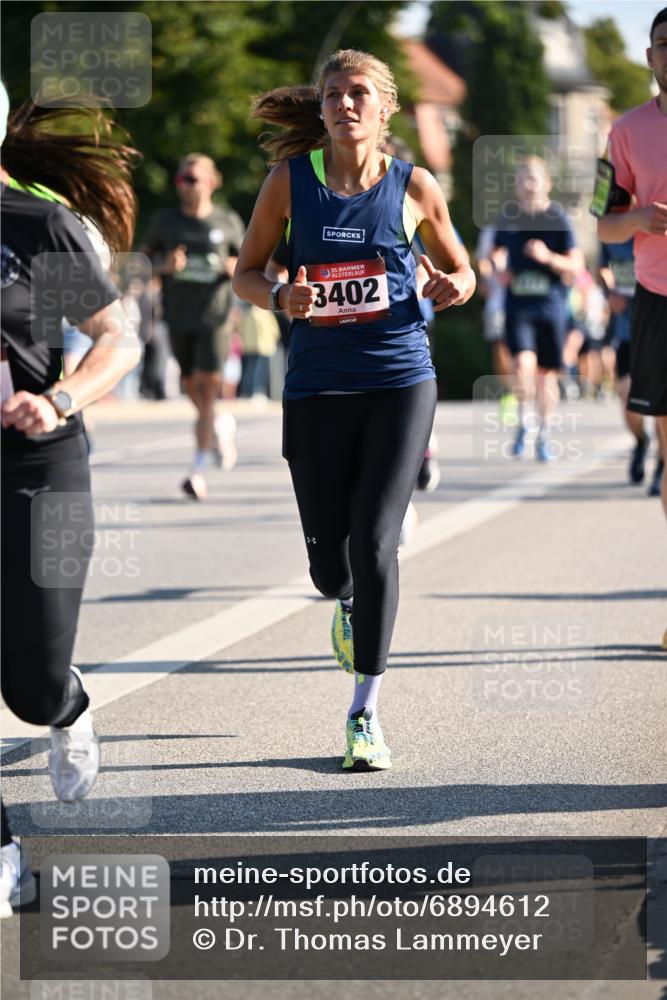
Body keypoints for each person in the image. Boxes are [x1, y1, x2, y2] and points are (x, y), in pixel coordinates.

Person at [233, 50, 475, 770]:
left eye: (358, 92)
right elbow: (245, 271)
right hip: (316, 386)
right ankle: (345, 603)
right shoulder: (288, 182)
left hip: (401, 377)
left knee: (375, 544)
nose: (344, 103)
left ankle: (363, 712)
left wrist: (451, 286)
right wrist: (280, 296)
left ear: (386, 106)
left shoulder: (414, 184)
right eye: (332, 93)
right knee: (330, 571)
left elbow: (461, 268)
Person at [0, 91, 141, 916]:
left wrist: (59, 400)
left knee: (29, 684)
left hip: (38, 463)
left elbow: (113, 336)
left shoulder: (33, 226)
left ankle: (67, 701)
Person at [595, 7, 667, 523]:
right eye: (665, 43)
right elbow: (604, 223)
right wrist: (637, 216)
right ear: (650, 55)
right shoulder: (624, 131)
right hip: (658, 298)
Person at [141, 153, 245, 499]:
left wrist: (235, 268)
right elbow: (140, 265)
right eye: (181, 179)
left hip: (215, 318)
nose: (185, 184)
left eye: (193, 178)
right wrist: (164, 265)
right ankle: (219, 423)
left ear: (212, 182)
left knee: (207, 388)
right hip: (178, 317)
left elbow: (250, 265)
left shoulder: (227, 221)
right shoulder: (165, 222)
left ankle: (197, 469)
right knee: (193, 390)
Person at [491, 156, 583, 461]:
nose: (528, 184)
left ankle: (544, 432)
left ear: (547, 184)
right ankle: (524, 421)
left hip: (551, 308)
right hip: (519, 307)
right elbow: (493, 255)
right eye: (522, 178)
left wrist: (547, 258)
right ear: (516, 185)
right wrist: (497, 265)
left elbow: (576, 266)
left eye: (534, 178)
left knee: (546, 377)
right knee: (522, 367)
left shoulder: (557, 219)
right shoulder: (509, 218)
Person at [598, 238, 655, 486]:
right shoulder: (612, 225)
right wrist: (609, 291)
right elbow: (601, 268)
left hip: (658, 328)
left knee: (662, 408)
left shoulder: (656, 223)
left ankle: (662, 467)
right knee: (627, 393)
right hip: (627, 332)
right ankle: (641, 441)